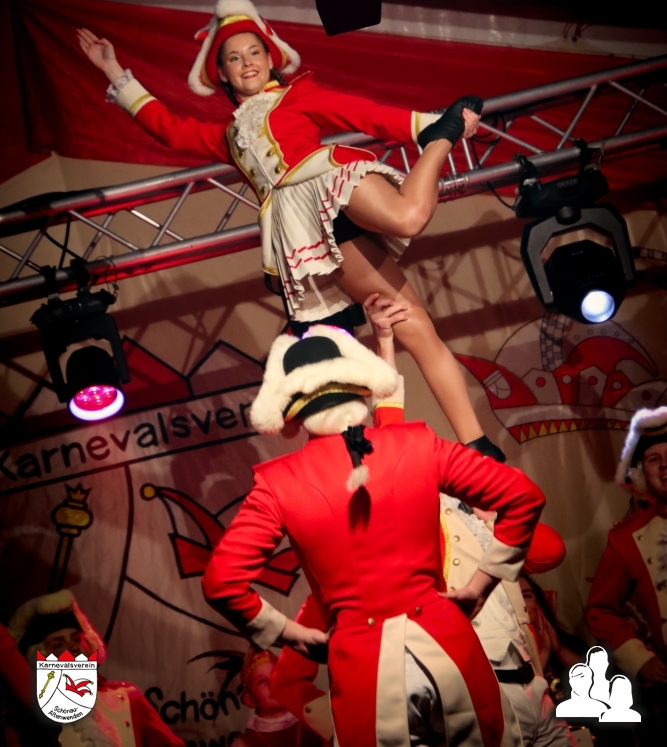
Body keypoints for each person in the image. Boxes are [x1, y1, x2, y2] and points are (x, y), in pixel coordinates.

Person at [76, 0, 500, 453]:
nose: (247, 63)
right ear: (222, 74)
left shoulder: (298, 94)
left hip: (328, 180)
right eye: (234, 58)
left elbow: (362, 112)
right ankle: (477, 442)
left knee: (408, 216)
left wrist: (422, 124)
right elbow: (167, 127)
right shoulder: (226, 135)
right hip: (302, 227)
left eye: (254, 52)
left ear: (270, 57)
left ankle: (439, 137)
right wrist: (112, 70)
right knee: (410, 323)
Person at [201, 317, 545, 746]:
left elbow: (221, 582)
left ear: (294, 410)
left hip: (363, 669)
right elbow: (523, 496)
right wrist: (481, 585)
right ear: (359, 388)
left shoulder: (279, 483)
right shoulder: (418, 444)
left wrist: (289, 634)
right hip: (450, 645)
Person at [7, 589, 185, 747]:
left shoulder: (128, 698)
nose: (73, 647)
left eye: (76, 639)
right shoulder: (29, 719)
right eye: (58, 644)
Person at [586, 405, 667, 739]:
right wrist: (640, 659)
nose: (665, 466)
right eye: (654, 459)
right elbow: (600, 612)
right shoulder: (626, 538)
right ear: (643, 473)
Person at [234, 647, 323, 747]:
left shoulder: (315, 725)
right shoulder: (245, 744)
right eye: (261, 681)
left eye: (274, 676)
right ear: (250, 700)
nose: (271, 684)